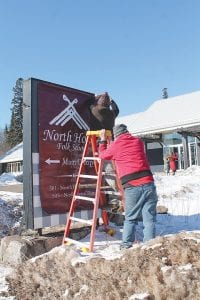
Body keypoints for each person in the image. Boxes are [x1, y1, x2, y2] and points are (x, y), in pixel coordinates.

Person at [99, 124, 158, 248]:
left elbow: (102, 155)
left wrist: (103, 140)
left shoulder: (116, 145)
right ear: (127, 132)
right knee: (149, 219)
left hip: (132, 186)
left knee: (130, 218)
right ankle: (150, 247)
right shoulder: (138, 142)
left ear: (116, 135)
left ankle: (126, 246)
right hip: (148, 183)